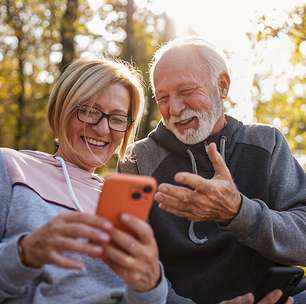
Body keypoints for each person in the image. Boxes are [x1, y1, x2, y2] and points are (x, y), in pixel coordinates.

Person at [118, 36, 306, 304]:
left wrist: (238, 211)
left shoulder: (266, 142)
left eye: (186, 91)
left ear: (222, 86)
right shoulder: (137, 160)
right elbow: (135, 266)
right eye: (163, 97)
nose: (174, 108)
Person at [0, 58, 169, 303]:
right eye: (89, 111)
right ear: (62, 109)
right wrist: (24, 253)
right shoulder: (11, 167)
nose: (103, 129)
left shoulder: (124, 200)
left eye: (118, 118)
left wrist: (151, 286)